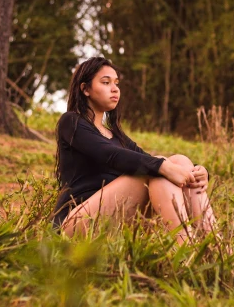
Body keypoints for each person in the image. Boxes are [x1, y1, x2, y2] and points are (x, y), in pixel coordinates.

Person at [53, 56, 216, 243]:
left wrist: (199, 172)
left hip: (110, 222)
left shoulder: (115, 135)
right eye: (105, 82)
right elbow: (110, 155)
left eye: (116, 83)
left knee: (178, 161)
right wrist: (163, 166)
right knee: (158, 167)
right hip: (74, 225)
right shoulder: (71, 122)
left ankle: (214, 243)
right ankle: (184, 246)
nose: (114, 89)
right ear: (86, 89)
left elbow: (147, 160)